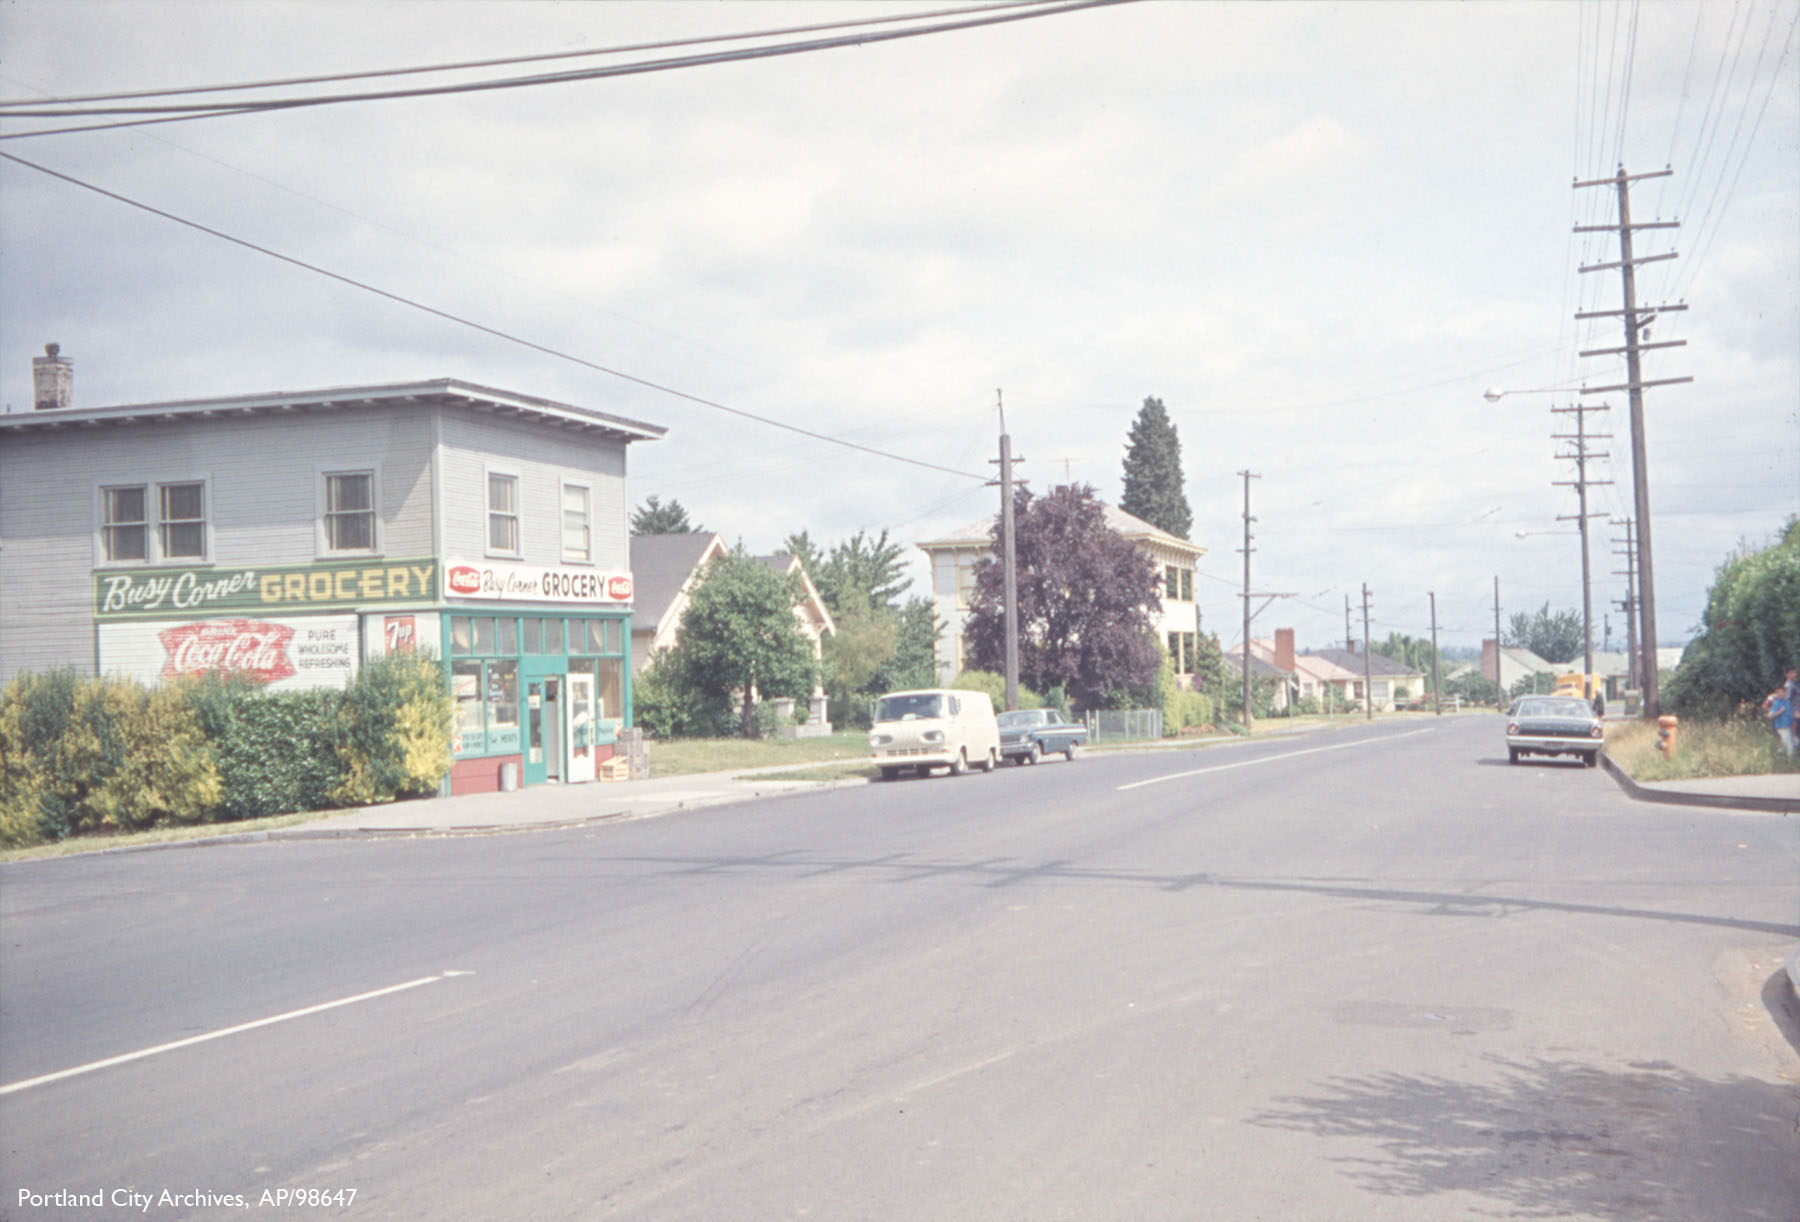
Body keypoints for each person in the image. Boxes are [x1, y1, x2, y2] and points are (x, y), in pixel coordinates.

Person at [1764, 685, 1795, 758]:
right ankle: (1791, 761)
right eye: (1778, 692)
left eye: (1782, 692)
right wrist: (1779, 712)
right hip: (1781, 726)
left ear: (1785, 692)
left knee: (1791, 742)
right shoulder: (1776, 703)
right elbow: (1770, 716)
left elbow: (1791, 714)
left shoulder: (1787, 702)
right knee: (1789, 745)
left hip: (1788, 726)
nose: (1780, 694)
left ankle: (1778, 755)